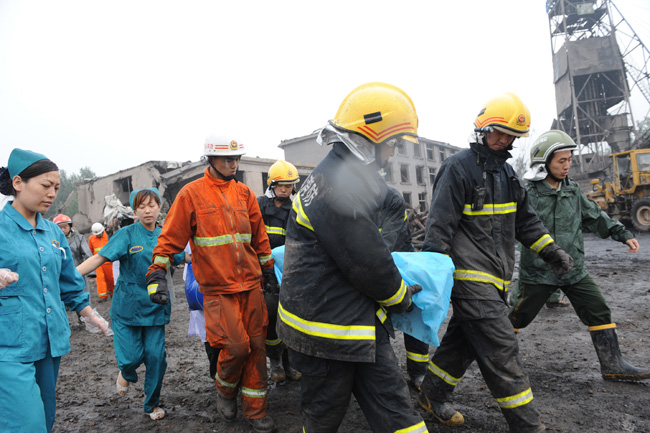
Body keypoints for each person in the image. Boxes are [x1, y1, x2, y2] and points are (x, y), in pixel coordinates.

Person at [277, 82, 428, 433]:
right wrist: (401, 297)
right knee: (323, 418)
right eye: (391, 143)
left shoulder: (334, 174)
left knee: (396, 412)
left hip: (349, 322)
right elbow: (367, 263)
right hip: (327, 333)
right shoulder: (339, 185)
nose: (393, 152)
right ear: (368, 139)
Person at [417, 93, 574, 432]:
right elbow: (439, 227)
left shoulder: (507, 175)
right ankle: (528, 425)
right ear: (483, 128)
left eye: (510, 136)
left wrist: (551, 252)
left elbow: (526, 222)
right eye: (498, 132)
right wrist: (434, 281)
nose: (503, 140)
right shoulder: (458, 168)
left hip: (494, 279)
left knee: (462, 343)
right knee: (503, 350)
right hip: (469, 278)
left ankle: (430, 396)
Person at [146, 135, 278, 433]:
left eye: (236, 159)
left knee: (257, 347)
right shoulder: (190, 195)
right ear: (210, 160)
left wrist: (268, 271)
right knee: (236, 346)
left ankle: (256, 411)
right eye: (228, 160)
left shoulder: (245, 194)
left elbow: (260, 239)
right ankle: (225, 388)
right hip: (218, 290)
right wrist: (157, 274)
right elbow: (169, 239)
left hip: (251, 286)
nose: (234, 164)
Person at [509, 129, 650, 381]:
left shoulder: (572, 190)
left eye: (569, 160)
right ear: (544, 162)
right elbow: (509, 225)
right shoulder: (526, 191)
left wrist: (622, 233)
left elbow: (595, 214)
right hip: (539, 273)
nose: (567, 166)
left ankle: (613, 364)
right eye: (561, 161)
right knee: (515, 318)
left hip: (573, 269)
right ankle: (495, 361)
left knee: (598, 309)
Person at [0, 148, 110, 433]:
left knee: (46, 417)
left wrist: (90, 314)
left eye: (57, 188)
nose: (52, 193)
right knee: (26, 424)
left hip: (50, 339)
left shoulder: (53, 232)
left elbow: (68, 281)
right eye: (45, 186)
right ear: (18, 183)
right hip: (9, 345)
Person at [77, 188, 186, 420]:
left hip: (156, 306)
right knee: (130, 358)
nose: (147, 210)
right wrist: (68, 276)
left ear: (159, 208)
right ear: (134, 210)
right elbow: (99, 258)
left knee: (156, 358)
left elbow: (183, 256)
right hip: (127, 308)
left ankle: (152, 405)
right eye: (141, 206)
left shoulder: (166, 235)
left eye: (152, 205)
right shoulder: (126, 234)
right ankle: (126, 372)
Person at [378, 186, 430, 389]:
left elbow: (386, 244)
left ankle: (418, 372)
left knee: (415, 315)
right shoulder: (358, 207)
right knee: (377, 321)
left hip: (402, 270)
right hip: (377, 271)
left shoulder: (392, 202)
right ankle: (381, 373)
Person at [257, 159, 302, 383]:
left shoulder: (295, 210)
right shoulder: (258, 206)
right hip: (264, 273)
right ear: (271, 184)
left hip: (287, 271)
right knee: (270, 314)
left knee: (291, 318)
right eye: (281, 185)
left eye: (289, 185)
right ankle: (275, 362)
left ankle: (289, 362)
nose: (285, 189)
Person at [53, 213, 93, 293]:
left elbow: (87, 254)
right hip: (60, 275)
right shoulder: (53, 241)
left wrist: (90, 271)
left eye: (65, 227)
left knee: (82, 296)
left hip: (78, 273)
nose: (63, 230)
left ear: (70, 227)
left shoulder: (78, 238)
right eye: (60, 228)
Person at [88, 222, 115, 301]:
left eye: (99, 234)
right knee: (100, 278)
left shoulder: (108, 237)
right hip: (98, 262)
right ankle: (102, 295)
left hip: (108, 261)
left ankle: (112, 292)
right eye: (96, 234)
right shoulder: (91, 238)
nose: (98, 235)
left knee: (110, 278)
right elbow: (90, 250)